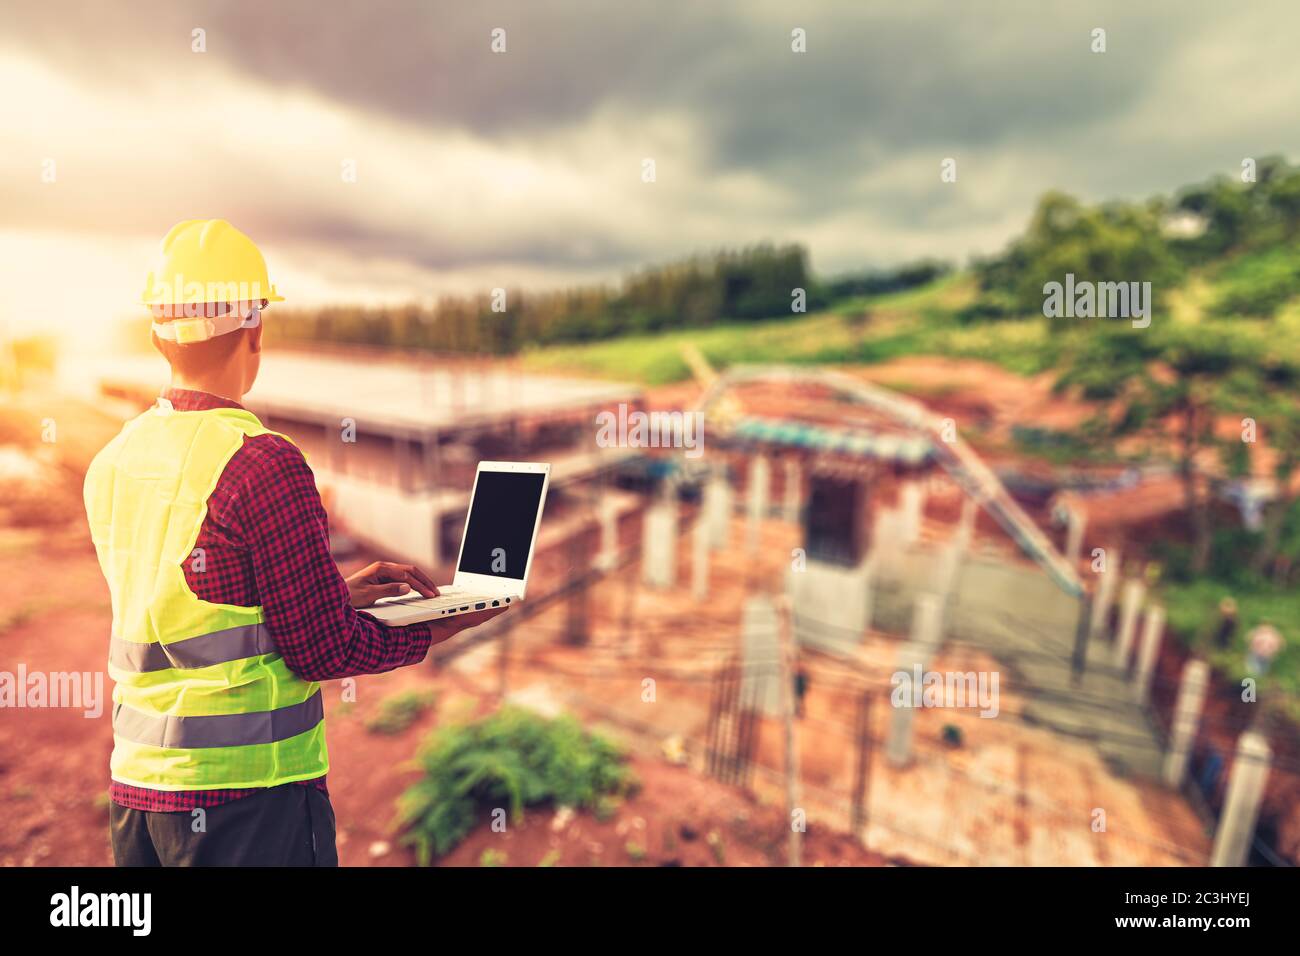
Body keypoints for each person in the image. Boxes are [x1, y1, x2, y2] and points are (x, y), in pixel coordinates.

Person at [84, 219, 502, 866]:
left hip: (139, 798)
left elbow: (199, 602)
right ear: (255, 329)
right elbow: (322, 648)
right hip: (249, 803)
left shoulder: (111, 462)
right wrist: (450, 621)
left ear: (157, 334)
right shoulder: (262, 463)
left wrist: (333, 591)